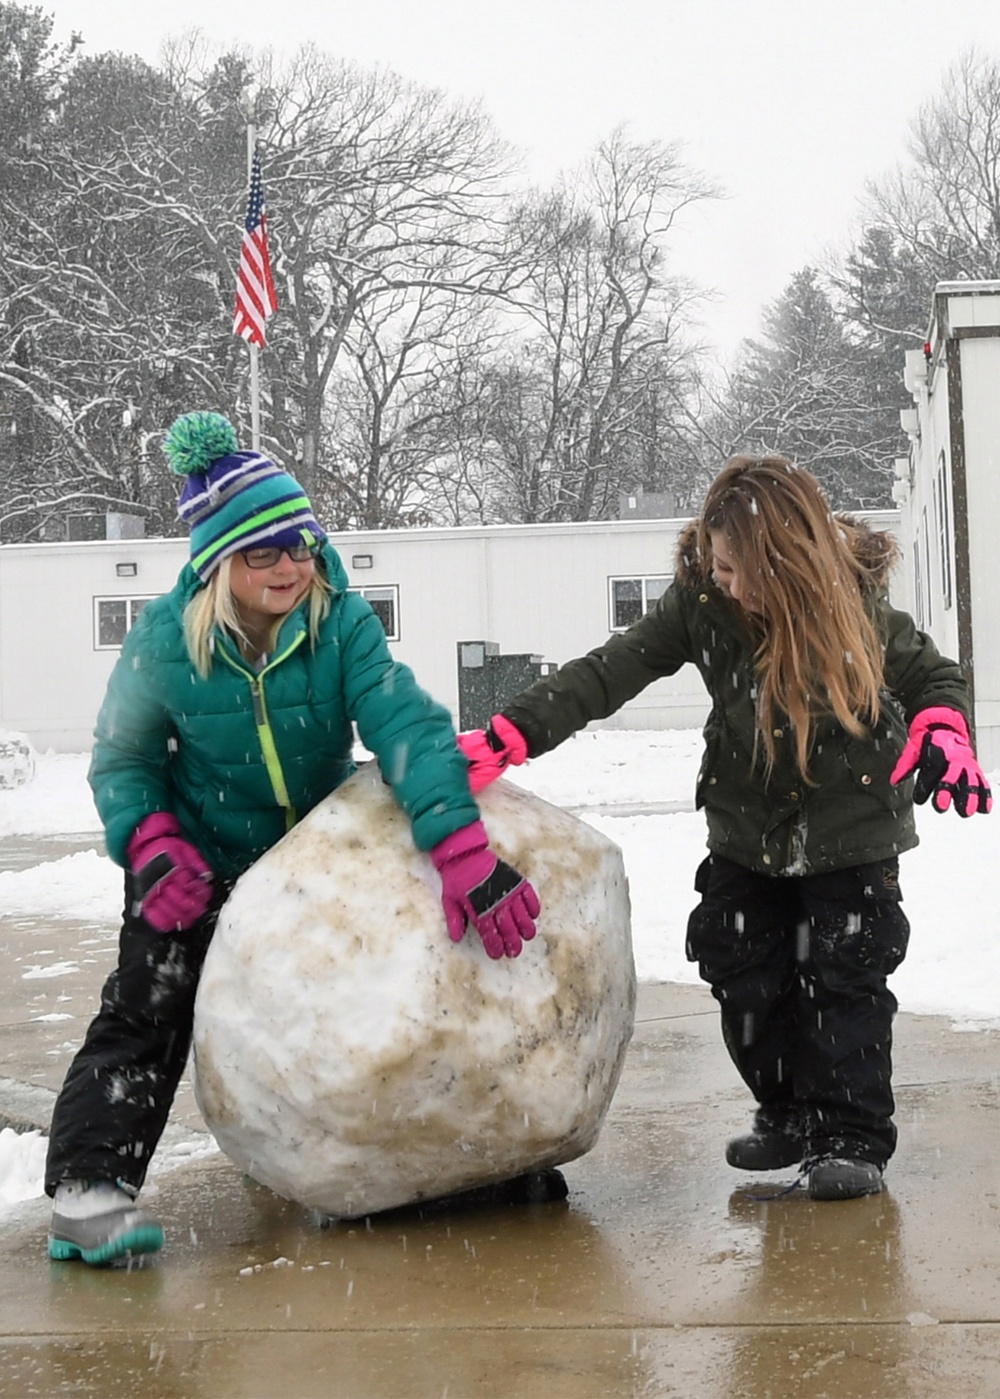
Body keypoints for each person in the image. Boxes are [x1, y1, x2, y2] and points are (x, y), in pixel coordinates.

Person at [45, 411, 541, 1266]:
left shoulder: (340, 623)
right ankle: (90, 1187)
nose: (290, 565)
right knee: (148, 1006)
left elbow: (409, 732)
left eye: (302, 543)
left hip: (312, 860)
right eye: (264, 551)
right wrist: (153, 843)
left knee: (372, 1003)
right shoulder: (165, 642)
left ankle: (440, 1163)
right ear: (218, 561)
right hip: (194, 861)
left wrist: (464, 852)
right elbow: (120, 760)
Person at [459, 455, 991, 1201]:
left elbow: (932, 676)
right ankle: (787, 1112)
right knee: (743, 969)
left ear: (782, 562)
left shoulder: (854, 606)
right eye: (717, 565)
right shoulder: (703, 602)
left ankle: (849, 1136)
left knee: (843, 980)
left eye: (739, 568)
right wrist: (513, 732)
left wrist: (944, 726)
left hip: (852, 828)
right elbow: (612, 668)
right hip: (748, 826)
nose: (727, 582)